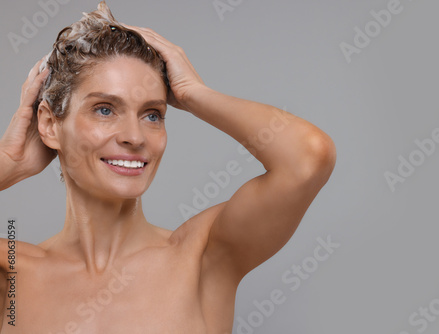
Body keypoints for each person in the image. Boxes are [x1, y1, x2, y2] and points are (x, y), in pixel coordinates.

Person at [0, 1, 336, 333]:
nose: (135, 136)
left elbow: (308, 156)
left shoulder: (202, 258)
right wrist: (10, 162)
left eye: (152, 115)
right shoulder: (13, 274)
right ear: (49, 123)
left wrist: (194, 94)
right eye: (105, 109)